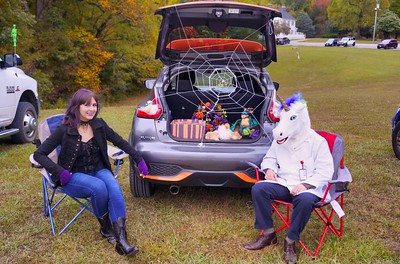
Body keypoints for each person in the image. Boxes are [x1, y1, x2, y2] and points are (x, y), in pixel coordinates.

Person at [34, 88, 149, 256]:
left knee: (114, 188)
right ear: (76, 107)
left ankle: (122, 240)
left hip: (99, 169)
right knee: (98, 187)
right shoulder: (63, 130)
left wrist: (139, 159)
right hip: (73, 176)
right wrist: (59, 171)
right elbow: (39, 154)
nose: (92, 109)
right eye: (87, 105)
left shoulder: (99, 125)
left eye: (94, 105)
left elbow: (121, 142)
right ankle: (106, 229)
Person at [243, 93, 334, 264]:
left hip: (308, 188)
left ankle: (290, 241)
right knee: (259, 188)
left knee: (305, 200)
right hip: (284, 183)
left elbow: (325, 171)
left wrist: (305, 185)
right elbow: (270, 158)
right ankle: (269, 233)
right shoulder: (280, 140)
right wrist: (269, 169)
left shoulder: (317, 142)